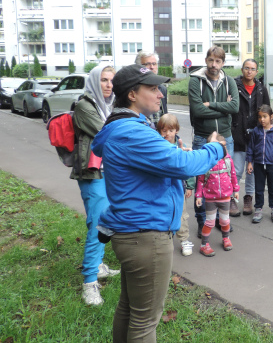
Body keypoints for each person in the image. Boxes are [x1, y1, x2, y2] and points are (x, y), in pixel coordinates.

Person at [91, 64, 226, 342]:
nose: (160, 94)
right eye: (151, 89)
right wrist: (216, 147)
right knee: (144, 323)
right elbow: (183, 164)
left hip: (134, 233)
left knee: (130, 310)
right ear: (131, 94)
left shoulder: (128, 127)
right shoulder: (133, 132)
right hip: (147, 236)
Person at [71, 63, 120, 306]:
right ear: (93, 81)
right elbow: (106, 134)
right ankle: (89, 283)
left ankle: (98, 265)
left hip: (109, 172)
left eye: (112, 80)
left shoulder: (110, 105)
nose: (109, 85)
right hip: (92, 174)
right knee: (97, 225)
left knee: (102, 222)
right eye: (104, 80)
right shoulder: (84, 106)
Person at [188, 46, 239, 233]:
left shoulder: (229, 81)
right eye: (211, 60)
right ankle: (202, 219)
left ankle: (219, 219)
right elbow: (198, 110)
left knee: (223, 178)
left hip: (226, 139)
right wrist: (223, 108)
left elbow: (235, 107)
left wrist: (212, 104)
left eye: (218, 61)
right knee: (202, 178)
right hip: (203, 138)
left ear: (223, 63)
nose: (213, 64)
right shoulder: (195, 81)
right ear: (206, 60)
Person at [232, 58, 270, 215]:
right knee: (237, 169)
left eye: (253, 69)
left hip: (256, 135)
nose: (249, 71)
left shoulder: (261, 89)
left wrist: (266, 130)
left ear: (256, 72)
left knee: (251, 171)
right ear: (242, 70)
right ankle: (232, 199)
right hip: (237, 132)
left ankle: (248, 198)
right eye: (246, 68)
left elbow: (267, 111)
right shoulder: (233, 86)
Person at [156, 113, 195, 257]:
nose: (167, 134)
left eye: (170, 130)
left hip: (179, 188)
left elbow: (187, 167)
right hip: (162, 189)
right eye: (164, 131)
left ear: (176, 130)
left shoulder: (181, 146)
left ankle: (184, 239)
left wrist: (190, 186)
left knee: (182, 214)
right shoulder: (157, 146)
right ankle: (166, 240)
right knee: (164, 213)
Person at [195, 134, 239, 257]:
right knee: (209, 222)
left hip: (225, 197)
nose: (223, 149)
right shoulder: (207, 163)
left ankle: (226, 239)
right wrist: (199, 196)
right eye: (220, 147)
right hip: (210, 198)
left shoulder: (228, 160)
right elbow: (200, 180)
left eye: (224, 146)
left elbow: (233, 176)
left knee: (225, 221)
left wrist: (236, 190)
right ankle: (204, 245)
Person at [246, 104, 273, 224]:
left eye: (265, 116)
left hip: (272, 164)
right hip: (258, 164)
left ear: (271, 117)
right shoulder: (256, 131)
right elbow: (251, 148)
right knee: (259, 187)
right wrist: (250, 162)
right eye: (260, 117)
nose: (262, 119)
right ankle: (258, 208)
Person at [135, 50, 168, 125]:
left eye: (154, 64)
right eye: (147, 64)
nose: (152, 67)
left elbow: (164, 116)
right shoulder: (133, 88)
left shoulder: (162, 89)